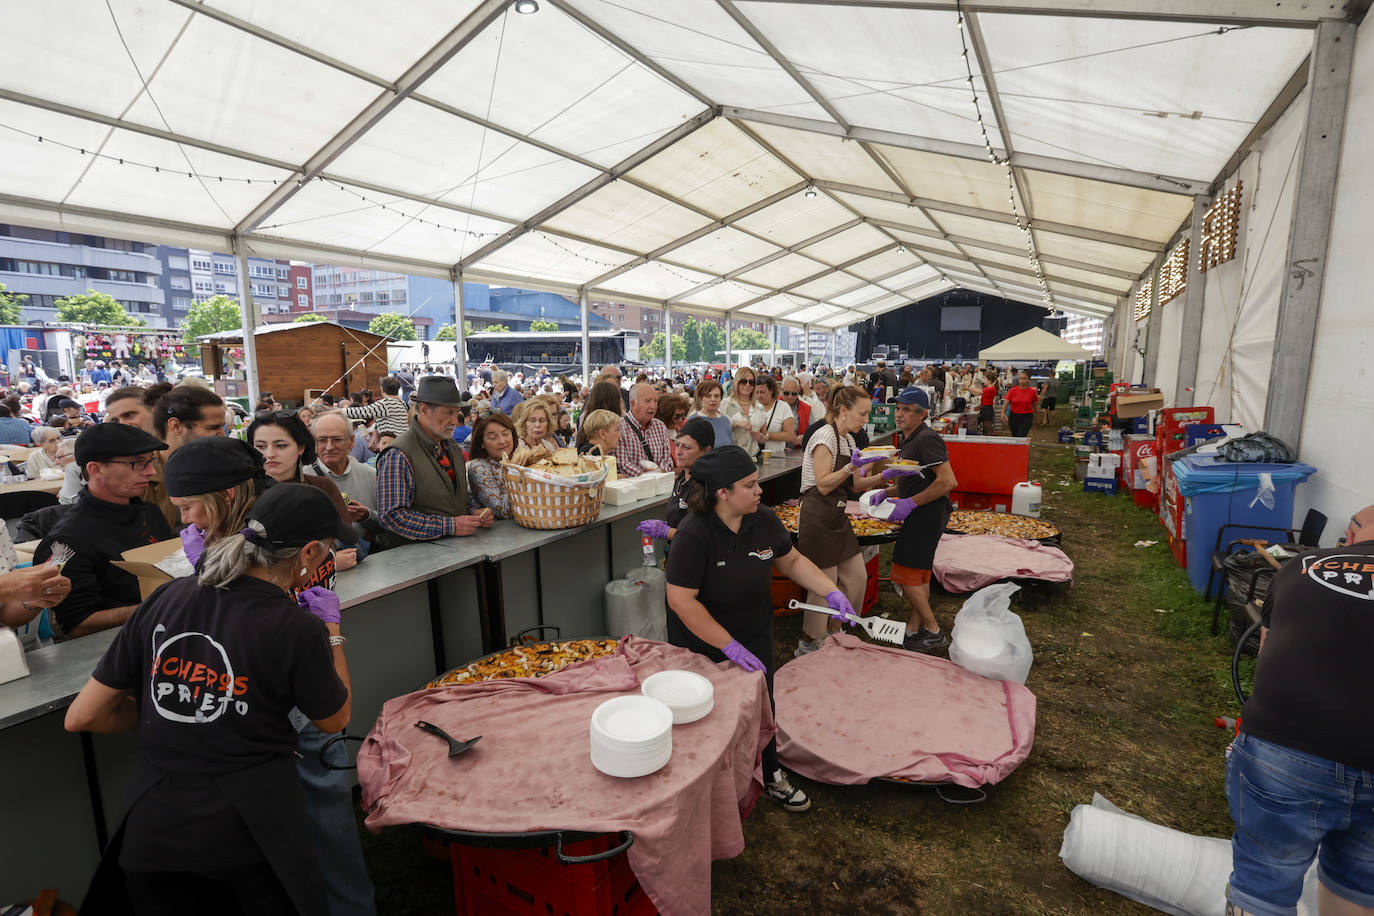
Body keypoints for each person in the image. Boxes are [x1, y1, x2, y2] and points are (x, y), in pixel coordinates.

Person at [64, 483, 355, 915]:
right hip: (250, 827)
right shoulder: (295, 626)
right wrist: (332, 632)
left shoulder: (167, 596)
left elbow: (83, 715)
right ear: (309, 553)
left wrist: (177, 709)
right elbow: (336, 720)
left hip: (154, 826)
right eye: (327, 553)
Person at [665, 446, 858, 813]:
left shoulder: (763, 519)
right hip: (702, 642)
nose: (759, 491)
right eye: (750, 485)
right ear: (723, 492)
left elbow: (793, 560)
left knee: (763, 704)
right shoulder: (695, 533)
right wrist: (727, 645)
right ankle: (706, 790)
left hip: (753, 629)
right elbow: (681, 601)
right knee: (708, 714)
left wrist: (830, 591)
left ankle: (771, 775)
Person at [1219, 506, 1374, 916]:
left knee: (1263, 888)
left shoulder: (1304, 565)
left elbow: (1268, 648)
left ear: (1356, 533)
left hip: (1285, 750)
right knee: (1359, 889)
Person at [33, 423, 173, 640]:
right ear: (95, 469)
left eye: (151, 461)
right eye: (137, 463)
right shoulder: (67, 541)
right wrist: (160, 606)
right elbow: (77, 623)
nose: (152, 471)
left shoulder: (148, 512)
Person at [858, 388, 958, 652]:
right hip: (920, 511)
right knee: (920, 576)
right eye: (898, 409)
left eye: (906, 409)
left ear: (921, 413)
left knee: (904, 575)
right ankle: (914, 630)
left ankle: (934, 631)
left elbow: (947, 481)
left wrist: (911, 503)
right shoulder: (908, 439)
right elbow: (914, 481)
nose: (899, 414)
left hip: (926, 514)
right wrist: (887, 492)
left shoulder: (927, 439)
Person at [794, 385, 886, 656]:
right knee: (823, 585)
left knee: (857, 577)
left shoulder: (848, 439)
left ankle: (836, 630)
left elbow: (855, 485)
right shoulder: (825, 436)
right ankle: (809, 643)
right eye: (862, 414)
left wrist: (885, 477)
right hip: (817, 515)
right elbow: (822, 484)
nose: (865, 420)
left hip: (837, 514)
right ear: (843, 410)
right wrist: (850, 466)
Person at [376, 376, 493, 544]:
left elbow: (453, 498)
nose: (455, 421)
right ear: (424, 410)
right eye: (448, 413)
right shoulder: (398, 455)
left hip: (455, 554)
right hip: (418, 562)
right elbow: (392, 516)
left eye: (456, 413)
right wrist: (450, 526)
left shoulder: (452, 447)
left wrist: (473, 513)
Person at [249, 410, 359, 574]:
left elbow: (345, 540)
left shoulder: (322, 486)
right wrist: (328, 564)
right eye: (260, 446)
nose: (269, 454)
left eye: (281, 445)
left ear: (301, 447)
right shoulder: (244, 494)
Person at [305, 411, 380, 550]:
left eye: (337, 439)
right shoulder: (302, 479)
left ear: (351, 441)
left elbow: (388, 524)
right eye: (322, 440)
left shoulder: (371, 476)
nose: (329, 447)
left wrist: (367, 516)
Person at [637, 416, 714, 545]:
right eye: (677, 445)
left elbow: (700, 536)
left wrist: (667, 531)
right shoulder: (682, 477)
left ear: (706, 451)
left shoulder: (704, 485)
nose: (678, 452)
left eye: (687, 447)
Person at [612, 383, 675, 478]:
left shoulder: (660, 426)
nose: (653, 406)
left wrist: (660, 472)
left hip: (658, 484)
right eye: (648, 401)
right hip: (632, 487)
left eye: (655, 401)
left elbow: (667, 460)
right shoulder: (619, 427)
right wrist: (644, 475)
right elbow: (621, 463)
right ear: (632, 404)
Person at [465, 412, 517, 519]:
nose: (502, 441)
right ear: (482, 443)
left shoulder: (520, 457)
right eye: (493, 437)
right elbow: (503, 510)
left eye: (505, 434)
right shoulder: (479, 467)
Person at [343, 376, 409, 437]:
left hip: (393, 443)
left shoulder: (385, 404)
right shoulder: (402, 403)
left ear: (382, 390)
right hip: (401, 440)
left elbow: (361, 412)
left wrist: (341, 410)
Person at [751, 375, 795, 453]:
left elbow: (790, 436)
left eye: (762, 392)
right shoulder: (751, 406)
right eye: (756, 392)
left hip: (776, 456)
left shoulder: (783, 407)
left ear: (771, 391)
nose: (759, 396)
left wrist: (766, 436)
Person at [723, 366, 760, 458]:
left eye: (751, 382)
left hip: (752, 457)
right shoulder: (726, 404)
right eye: (744, 381)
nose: (747, 385)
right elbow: (719, 430)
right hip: (730, 456)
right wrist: (736, 424)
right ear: (737, 382)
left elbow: (763, 434)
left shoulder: (758, 406)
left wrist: (761, 437)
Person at [689, 379, 732, 455]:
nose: (713, 399)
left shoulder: (725, 420)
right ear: (700, 398)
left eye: (716, 396)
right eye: (708, 396)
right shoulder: (693, 421)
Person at [1004, 371, 1037, 438]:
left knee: (1021, 435)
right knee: (1014, 435)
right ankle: (1016, 448)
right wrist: (1003, 413)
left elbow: (1035, 405)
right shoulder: (1012, 390)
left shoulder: (1032, 392)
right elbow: (1006, 403)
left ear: (1028, 380)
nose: (1022, 381)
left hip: (1026, 416)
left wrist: (1037, 417)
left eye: (1024, 378)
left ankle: (1021, 447)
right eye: (1020, 378)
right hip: (1014, 416)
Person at [780, 377, 809, 448]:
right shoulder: (772, 405)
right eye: (786, 393)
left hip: (798, 451)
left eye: (794, 394)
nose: (790, 397)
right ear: (781, 390)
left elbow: (812, 433)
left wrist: (802, 439)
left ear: (798, 391)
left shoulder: (807, 408)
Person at [979, 368, 999, 436]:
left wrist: (968, 387)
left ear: (989, 381)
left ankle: (989, 441)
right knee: (985, 428)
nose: (983, 380)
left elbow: (979, 392)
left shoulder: (991, 389)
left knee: (988, 428)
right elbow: (977, 393)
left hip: (987, 409)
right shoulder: (987, 388)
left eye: (985, 379)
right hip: (985, 408)